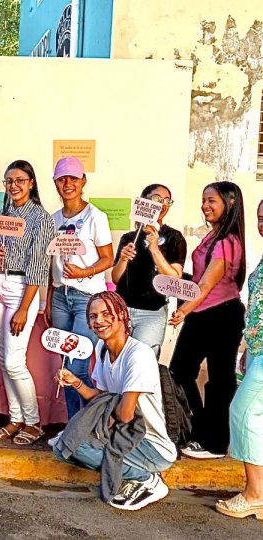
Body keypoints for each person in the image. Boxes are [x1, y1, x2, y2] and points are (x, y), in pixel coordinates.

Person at [55, 291, 177, 511]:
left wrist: (97, 428)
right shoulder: (102, 349)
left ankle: (146, 479)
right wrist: (75, 383)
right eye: (93, 316)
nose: (99, 321)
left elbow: (125, 415)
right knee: (62, 443)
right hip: (124, 432)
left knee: (75, 445)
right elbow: (101, 399)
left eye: (106, 313)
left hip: (151, 445)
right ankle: (127, 468)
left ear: (122, 315)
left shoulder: (138, 355)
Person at [169, 181, 246, 460]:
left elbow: (206, 285)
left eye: (211, 200)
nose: (205, 206)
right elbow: (196, 282)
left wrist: (183, 311)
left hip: (221, 314)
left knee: (219, 379)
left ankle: (214, 442)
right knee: (180, 372)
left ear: (231, 203)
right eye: (203, 200)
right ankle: (200, 431)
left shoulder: (228, 241)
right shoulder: (213, 236)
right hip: (203, 313)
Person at [0, 160, 56, 445]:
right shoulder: (3, 214)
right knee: (4, 359)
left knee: (15, 362)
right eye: (8, 181)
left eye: (19, 180)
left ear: (31, 183)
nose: (13, 186)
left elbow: (39, 267)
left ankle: (34, 422)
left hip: (20, 289)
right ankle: (15, 419)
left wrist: (25, 308)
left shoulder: (41, 219)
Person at [46, 157, 114, 419]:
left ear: (83, 181)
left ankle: (83, 429)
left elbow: (108, 258)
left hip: (88, 300)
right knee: (65, 364)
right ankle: (73, 426)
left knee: (77, 364)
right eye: (62, 179)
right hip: (60, 297)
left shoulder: (96, 217)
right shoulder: (53, 220)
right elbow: (52, 264)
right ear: (55, 183)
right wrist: (51, 299)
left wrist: (84, 272)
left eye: (73, 178)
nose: (68, 183)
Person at [216, 199, 263, 519]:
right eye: (261, 217)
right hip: (258, 347)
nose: (262, 223)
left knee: (244, 412)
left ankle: (255, 493)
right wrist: (249, 345)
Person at [111, 184, 186, 357]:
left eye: (167, 201)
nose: (162, 204)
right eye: (156, 199)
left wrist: (154, 249)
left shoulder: (174, 238)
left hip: (152, 313)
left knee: (143, 362)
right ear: (144, 201)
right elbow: (116, 278)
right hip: (122, 309)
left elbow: (174, 277)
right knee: (117, 359)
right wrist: (123, 259)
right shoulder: (129, 238)